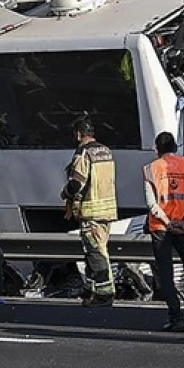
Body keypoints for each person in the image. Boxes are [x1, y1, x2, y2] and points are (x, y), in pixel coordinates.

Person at [144, 132, 184, 332]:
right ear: (175, 146)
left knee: (165, 273)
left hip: (161, 228)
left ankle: (176, 318)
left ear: (157, 148)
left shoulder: (150, 169)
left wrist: (168, 222)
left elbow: (151, 203)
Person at [61, 117, 117, 307]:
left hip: (91, 210)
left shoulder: (83, 153)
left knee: (96, 252)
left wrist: (65, 193)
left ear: (78, 134)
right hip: (107, 210)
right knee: (95, 250)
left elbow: (77, 182)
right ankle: (91, 290)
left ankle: (104, 293)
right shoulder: (106, 151)